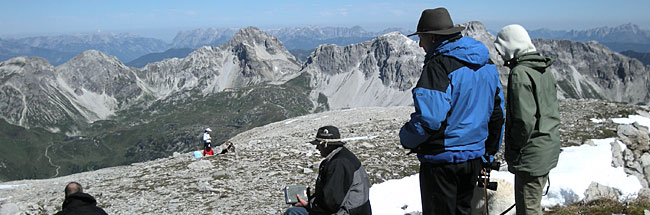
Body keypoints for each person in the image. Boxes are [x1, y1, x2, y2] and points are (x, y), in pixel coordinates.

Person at [399, 7, 505, 215]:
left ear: (431, 37)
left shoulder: (438, 66)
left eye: (421, 38)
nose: (420, 44)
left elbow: (430, 118)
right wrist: (489, 154)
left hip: (442, 162)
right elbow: (497, 114)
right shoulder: (487, 63)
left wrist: (406, 137)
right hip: (473, 160)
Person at [494, 24, 561, 215]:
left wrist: (515, 151)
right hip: (547, 148)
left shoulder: (520, 73)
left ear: (511, 46)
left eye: (501, 50)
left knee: (527, 209)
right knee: (534, 204)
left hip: (531, 155)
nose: (500, 56)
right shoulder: (543, 68)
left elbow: (524, 121)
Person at [285, 126, 372, 215]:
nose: (317, 148)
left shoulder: (338, 164)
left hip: (347, 212)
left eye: (319, 144)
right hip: (358, 210)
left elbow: (332, 202)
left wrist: (308, 204)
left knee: (293, 212)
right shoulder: (343, 156)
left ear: (326, 145)